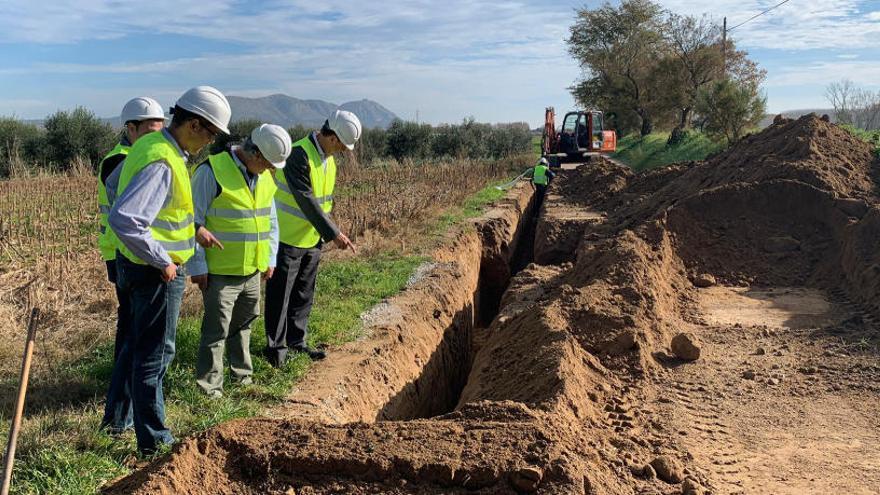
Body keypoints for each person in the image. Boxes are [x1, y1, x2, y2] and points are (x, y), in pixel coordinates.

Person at [108, 85, 231, 455]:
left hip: (134, 267)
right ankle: (155, 443)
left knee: (136, 348)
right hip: (155, 274)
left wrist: (194, 230)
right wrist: (162, 260)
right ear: (194, 124)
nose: (210, 142)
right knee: (155, 355)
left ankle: (118, 422)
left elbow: (117, 188)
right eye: (211, 133)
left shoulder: (151, 144)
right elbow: (126, 219)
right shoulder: (164, 158)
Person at [188, 124, 290, 398]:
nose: (271, 170)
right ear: (254, 153)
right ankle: (210, 388)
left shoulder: (265, 177)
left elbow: (271, 221)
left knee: (244, 326)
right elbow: (191, 222)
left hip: (253, 270)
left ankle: (242, 377)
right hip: (220, 271)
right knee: (216, 331)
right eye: (268, 164)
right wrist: (197, 266)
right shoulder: (211, 171)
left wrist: (270, 257)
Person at [264, 110, 361, 367]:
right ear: (330, 136)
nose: (341, 150)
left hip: (311, 239)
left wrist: (323, 234)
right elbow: (306, 199)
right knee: (280, 296)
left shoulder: (329, 160)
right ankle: (276, 350)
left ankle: (297, 341)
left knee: (303, 294)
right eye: (340, 144)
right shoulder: (298, 154)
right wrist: (335, 234)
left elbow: (323, 203)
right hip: (287, 238)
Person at [99, 97, 166, 434]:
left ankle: (120, 416)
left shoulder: (141, 154)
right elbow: (130, 216)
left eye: (160, 129)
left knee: (133, 337)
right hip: (127, 257)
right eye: (151, 130)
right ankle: (117, 420)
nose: (157, 136)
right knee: (133, 339)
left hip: (138, 255)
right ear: (131, 128)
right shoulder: (120, 161)